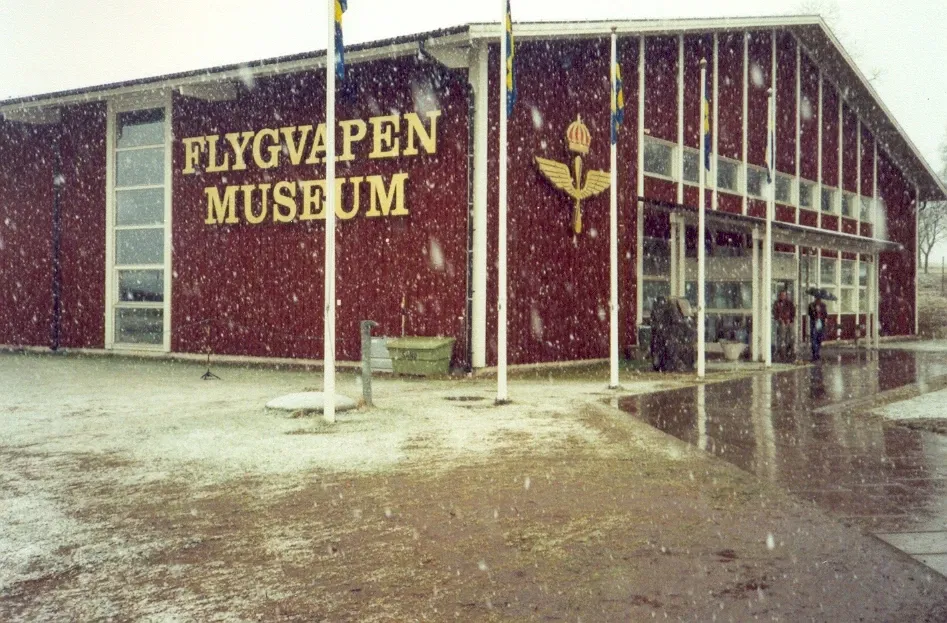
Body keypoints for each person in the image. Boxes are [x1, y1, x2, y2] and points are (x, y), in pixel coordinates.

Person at [773, 290, 795, 362]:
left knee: (792, 338)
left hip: (789, 322)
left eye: (784, 295)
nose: (783, 296)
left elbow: (793, 312)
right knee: (782, 339)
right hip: (781, 323)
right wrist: (780, 319)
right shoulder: (777, 303)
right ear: (779, 296)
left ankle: (792, 353)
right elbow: (775, 312)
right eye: (781, 295)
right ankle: (783, 355)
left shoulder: (789, 303)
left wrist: (790, 319)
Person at [807, 294, 828, 361]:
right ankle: (814, 354)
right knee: (814, 338)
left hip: (821, 323)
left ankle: (817, 353)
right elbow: (809, 313)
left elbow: (825, 314)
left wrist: (822, 317)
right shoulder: (811, 305)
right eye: (817, 299)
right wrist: (814, 313)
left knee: (819, 339)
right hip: (814, 323)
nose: (818, 300)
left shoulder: (823, 305)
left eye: (819, 299)